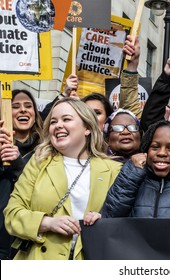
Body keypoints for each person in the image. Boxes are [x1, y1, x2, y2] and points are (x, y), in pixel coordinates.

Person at [4, 98, 122, 260]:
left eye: (66, 119)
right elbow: (12, 214)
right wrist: (47, 223)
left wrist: (103, 223)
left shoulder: (113, 170)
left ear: (87, 128)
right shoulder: (38, 162)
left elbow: (125, 222)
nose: (58, 125)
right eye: (53, 122)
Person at [86, 120, 170, 227]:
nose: (162, 153)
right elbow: (110, 217)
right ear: (146, 149)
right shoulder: (134, 178)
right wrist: (132, 173)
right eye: (155, 147)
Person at [0, 89, 43, 259]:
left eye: (28, 106)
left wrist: (18, 164)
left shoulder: (46, 150)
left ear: (35, 114)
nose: (23, 110)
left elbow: (41, 188)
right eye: (15, 106)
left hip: (25, 238)